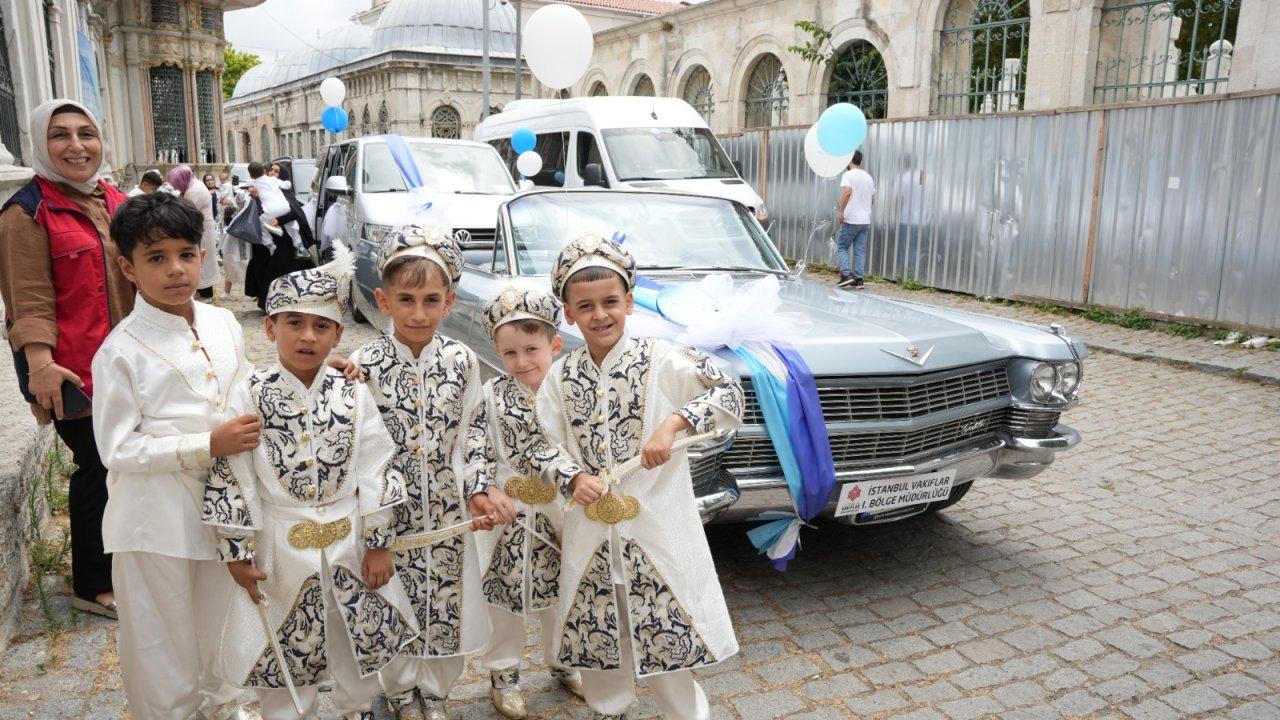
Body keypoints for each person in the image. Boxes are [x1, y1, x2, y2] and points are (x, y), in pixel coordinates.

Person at [520, 233, 744, 720]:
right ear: (568, 313)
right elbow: (542, 441)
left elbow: (728, 393)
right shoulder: (561, 376)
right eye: (586, 305)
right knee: (599, 632)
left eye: (610, 302)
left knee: (666, 634)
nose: (600, 315)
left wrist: (672, 423)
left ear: (629, 300)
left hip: (655, 529)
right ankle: (610, 709)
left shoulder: (662, 359)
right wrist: (573, 478)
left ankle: (687, 714)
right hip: (590, 532)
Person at [203, 247, 419, 720]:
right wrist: (237, 552)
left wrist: (379, 541)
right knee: (281, 636)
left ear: (338, 334)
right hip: (280, 543)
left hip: (349, 538)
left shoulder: (352, 390)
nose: (307, 336)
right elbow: (233, 475)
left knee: (351, 630)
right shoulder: (249, 393)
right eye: (294, 323)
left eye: (321, 326)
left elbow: (376, 464)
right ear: (269, 328)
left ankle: (356, 707)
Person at [91, 192, 250, 720]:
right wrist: (205, 445)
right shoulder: (120, 351)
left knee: (218, 616)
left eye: (186, 253)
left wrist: (327, 377)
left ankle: (220, 703)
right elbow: (117, 448)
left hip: (222, 510)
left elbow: (247, 395)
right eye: (156, 258)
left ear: (202, 255)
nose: (175, 270)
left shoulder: (222, 323)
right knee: (161, 639)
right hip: (153, 519)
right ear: (127, 267)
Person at [350, 223, 504, 720]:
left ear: (450, 301)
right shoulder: (363, 362)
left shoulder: (462, 360)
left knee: (447, 601)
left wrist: (478, 489)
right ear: (384, 299)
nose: (419, 313)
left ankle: (436, 691)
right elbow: (357, 449)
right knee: (392, 597)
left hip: (446, 509)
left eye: (431, 300)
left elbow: (475, 430)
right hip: (386, 512)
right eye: (406, 299)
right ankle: (398, 690)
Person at [0, 99, 130, 620]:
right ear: (40, 144)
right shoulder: (25, 213)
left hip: (126, 364)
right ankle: (94, 583)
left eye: (86, 133)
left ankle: (125, 558)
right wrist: (40, 366)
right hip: (70, 369)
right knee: (97, 466)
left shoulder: (117, 201)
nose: (76, 146)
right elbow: (26, 299)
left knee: (124, 464)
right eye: (60, 135)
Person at [475, 285, 584, 719]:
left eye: (532, 349)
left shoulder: (571, 392)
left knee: (564, 595)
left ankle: (565, 662)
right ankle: (504, 675)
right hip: (511, 519)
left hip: (563, 515)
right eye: (510, 353)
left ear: (555, 345)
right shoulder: (490, 397)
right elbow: (476, 448)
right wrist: (488, 489)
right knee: (504, 601)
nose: (522, 363)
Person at [169, 165, 220, 299]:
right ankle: (201, 289)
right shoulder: (192, 186)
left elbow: (186, 211)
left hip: (201, 229)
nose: (177, 188)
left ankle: (206, 293)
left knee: (204, 261)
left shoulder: (195, 190)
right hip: (197, 228)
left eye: (177, 184)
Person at [836, 150, 875, 289]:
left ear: (849, 160)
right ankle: (859, 279)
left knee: (841, 247)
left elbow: (847, 192)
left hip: (851, 219)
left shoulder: (848, 175)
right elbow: (872, 199)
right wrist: (865, 210)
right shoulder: (868, 177)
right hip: (865, 220)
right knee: (859, 251)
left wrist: (841, 211)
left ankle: (847, 275)